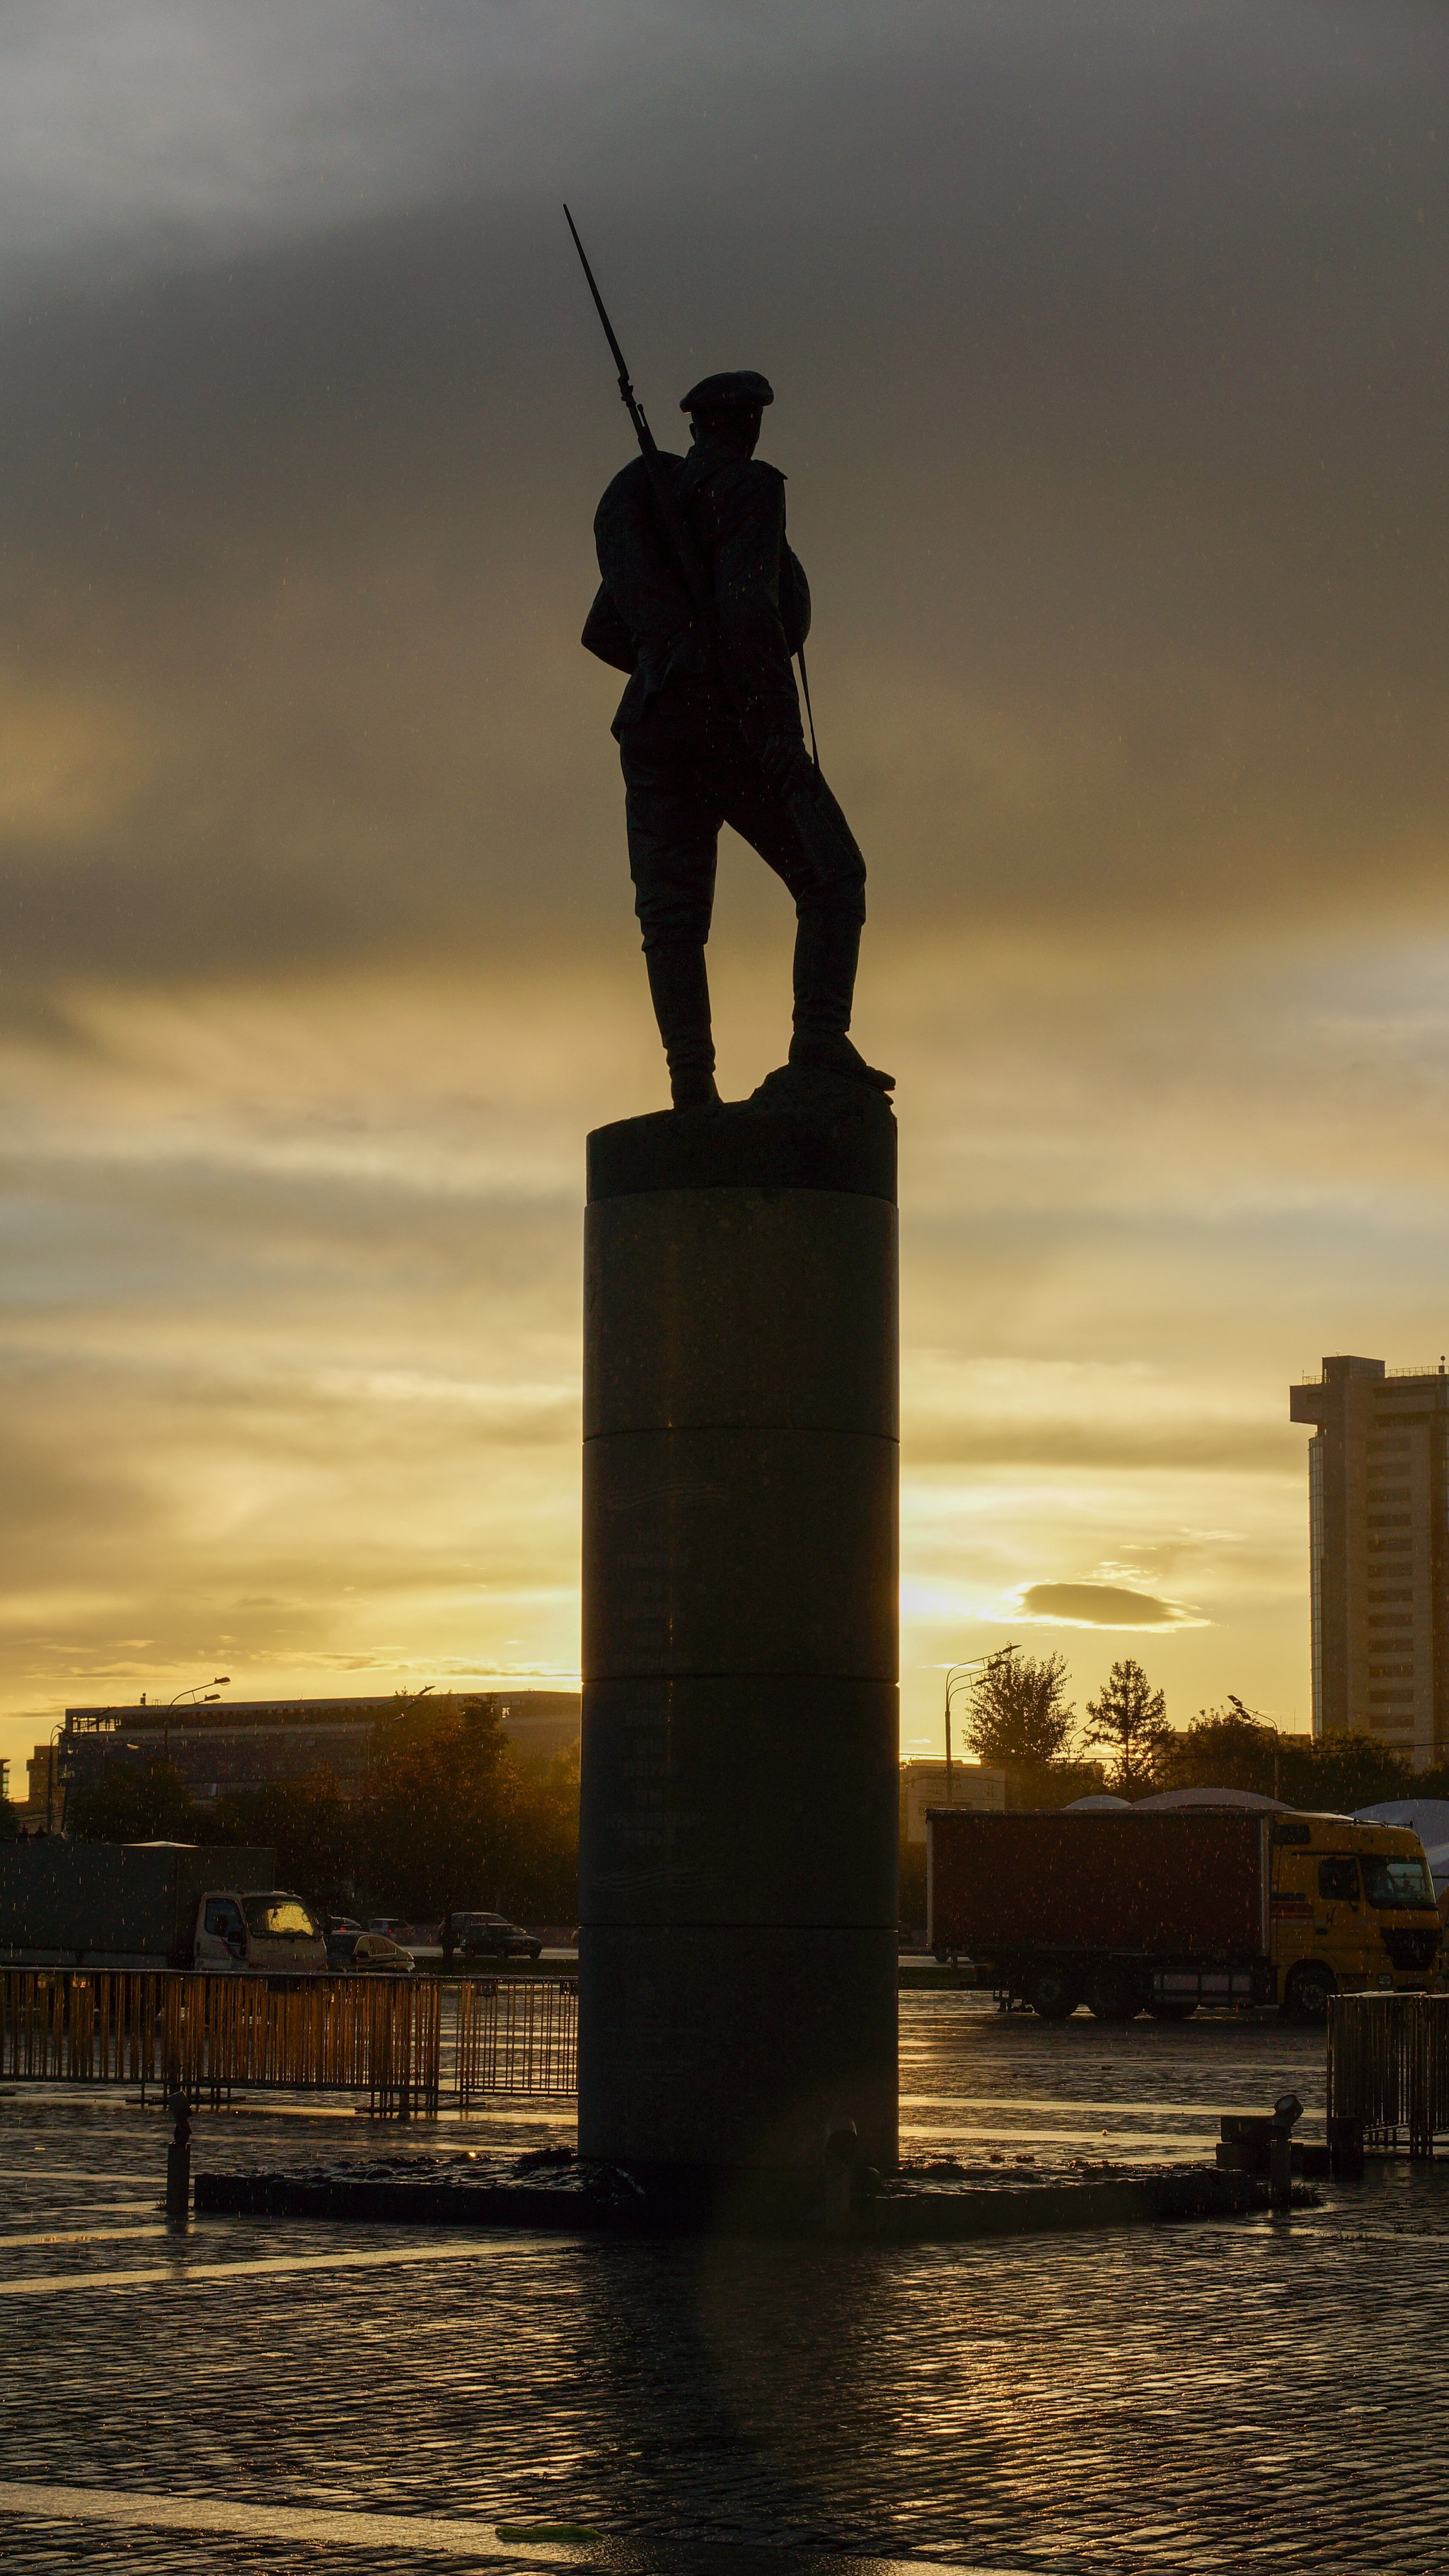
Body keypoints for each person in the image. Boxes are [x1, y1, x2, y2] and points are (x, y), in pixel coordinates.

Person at [583, 369, 892, 1109]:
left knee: (672, 917)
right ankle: (818, 1034)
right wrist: (773, 728)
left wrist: (673, 656)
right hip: (731, 724)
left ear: (695, 427)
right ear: (747, 424)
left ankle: (691, 1079)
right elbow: (750, 610)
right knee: (833, 873)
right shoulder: (749, 488)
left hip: (655, 728)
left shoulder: (658, 507)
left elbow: (602, 631)